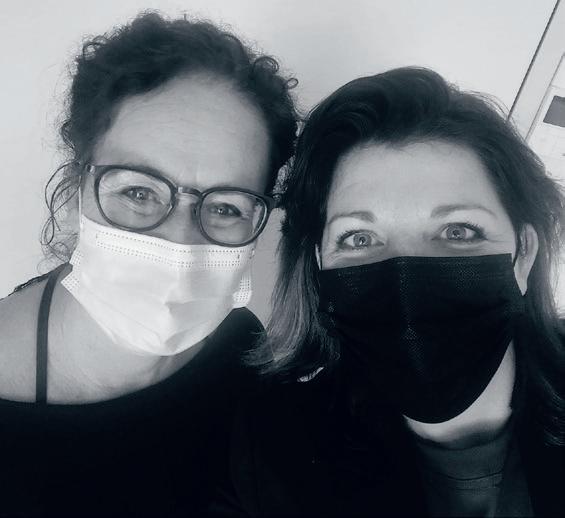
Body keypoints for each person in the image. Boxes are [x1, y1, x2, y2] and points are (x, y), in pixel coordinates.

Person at [223, 68, 565, 516]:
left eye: (458, 231)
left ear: (523, 255)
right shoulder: (273, 451)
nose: (405, 279)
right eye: (359, 238)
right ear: (321, 267)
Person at [0, 11, 297, 516]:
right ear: (74, 193)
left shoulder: (243, 353)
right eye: (138, 192)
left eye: (226, 207)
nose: (180, 241)